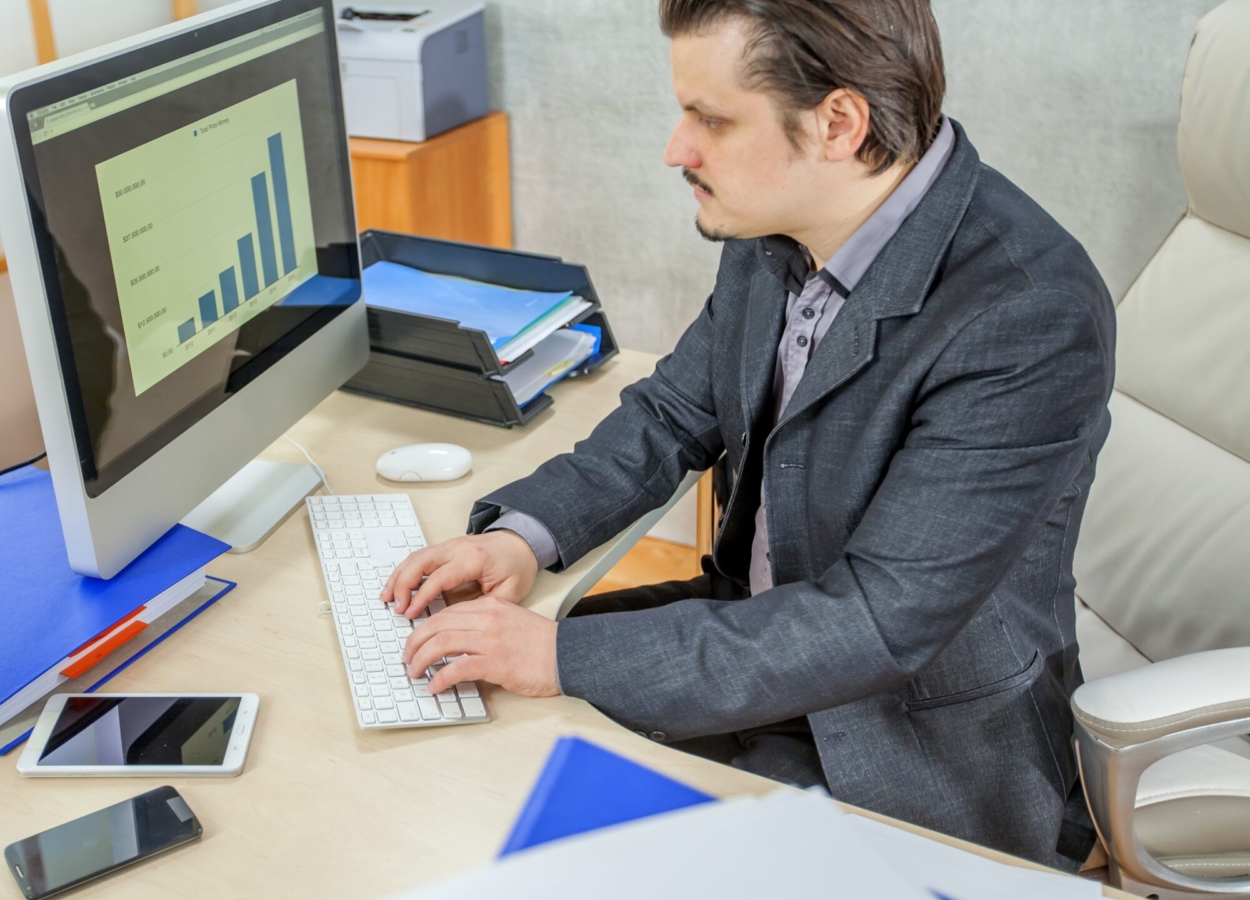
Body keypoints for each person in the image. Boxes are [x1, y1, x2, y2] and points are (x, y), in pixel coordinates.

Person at [381, 0, 1115, 871]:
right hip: (754, 641)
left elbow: (879, 621)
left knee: (554, 826)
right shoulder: (780, 220)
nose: (676, 149)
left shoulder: (1029, 311)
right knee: (453, 720)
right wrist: (520, 539)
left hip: (909, 738)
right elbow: (671, 414)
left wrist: (562, 654)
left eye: (712, 120)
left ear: (838, 123)